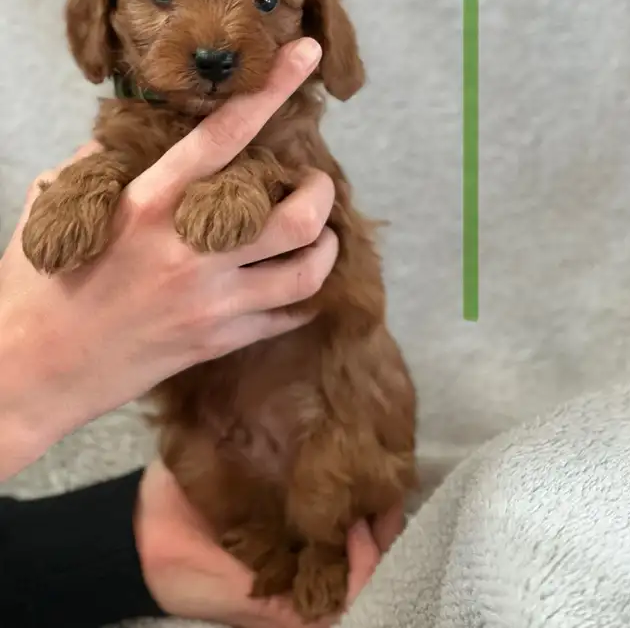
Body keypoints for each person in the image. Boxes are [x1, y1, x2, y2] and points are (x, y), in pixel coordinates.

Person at [0, 38, 403, 628]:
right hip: (215, 428)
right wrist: (20, 380)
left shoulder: (290, 127)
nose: (214, 37)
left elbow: (346, 283)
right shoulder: (131, 114)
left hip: (318, 414)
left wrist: (128, 546)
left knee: (327, 484)